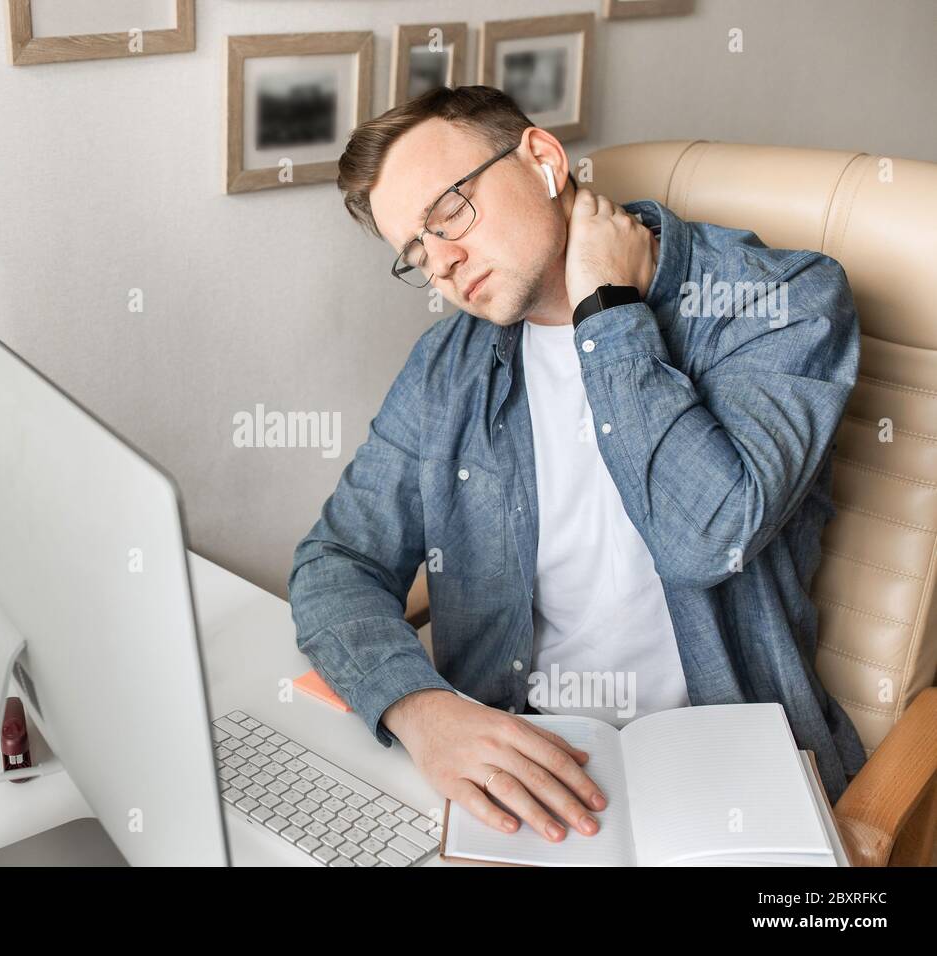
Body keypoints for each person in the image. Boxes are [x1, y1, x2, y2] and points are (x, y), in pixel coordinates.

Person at [288, 85, 867, 843]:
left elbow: (704, 540)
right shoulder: (447, 365)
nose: (444, 265)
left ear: (541, 158)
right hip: (521, 755)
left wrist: (609, 314)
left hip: (722, 764)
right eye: (417, 254)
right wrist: (421, 712)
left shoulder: (779, 300)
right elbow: (336, 560)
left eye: (449, 213)